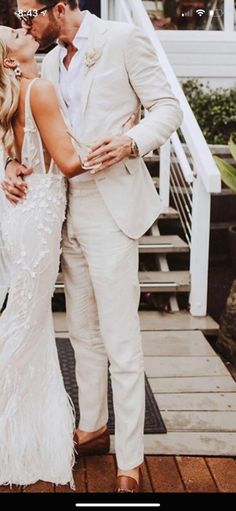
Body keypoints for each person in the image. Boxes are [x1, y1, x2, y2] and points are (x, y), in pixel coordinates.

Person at [2, 0, 183, 492]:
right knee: (81, 332)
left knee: (121, 337)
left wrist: (131, 142)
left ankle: (129, 460)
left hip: (112, 208)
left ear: (58, 7)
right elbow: (34, 134)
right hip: (63, 211)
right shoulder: (47, 64)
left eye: (27, 15)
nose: (23, 25)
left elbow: (168, 107)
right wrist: (12, 166)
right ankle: (92, 428)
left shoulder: (122, 41)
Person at [0, 25, 89, 487]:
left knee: (24, 318)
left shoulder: (13, 95)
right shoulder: (41, 90)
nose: (23, 28)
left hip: (20, 216)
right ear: (9, 58)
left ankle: (25, 428)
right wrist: (121, 144)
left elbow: (15, 153)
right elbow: (69, 163)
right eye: (13, 33)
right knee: (27, 323)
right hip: (38, 219)